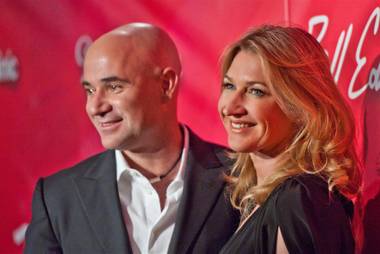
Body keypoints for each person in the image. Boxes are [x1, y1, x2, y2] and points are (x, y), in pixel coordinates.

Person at [24, 23, 239, 254]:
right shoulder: (58, 197)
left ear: (166, 85)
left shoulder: (241, 177)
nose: (95, 107)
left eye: (114, 87)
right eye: (89, 90)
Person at [217, 25, 361, 254]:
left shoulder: (298, 199)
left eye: (256, 91)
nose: (231, 107)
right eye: (229, 85)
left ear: (299, 105)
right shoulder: (267, 199)